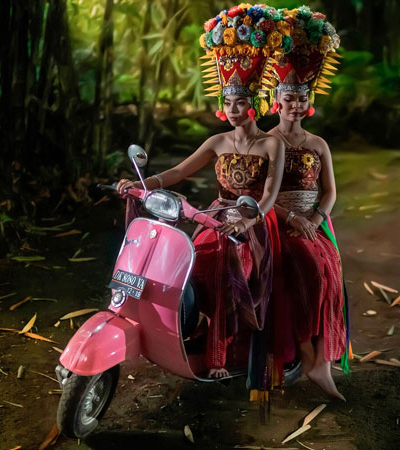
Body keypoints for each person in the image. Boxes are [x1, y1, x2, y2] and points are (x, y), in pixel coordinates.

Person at [116, 4, 288, 380]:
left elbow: (271, 193)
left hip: (252, 220)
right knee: (190, 265)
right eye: (227, 102)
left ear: (256, 103)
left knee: (229, 270)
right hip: (215, 215)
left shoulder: (272, 145)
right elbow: (179, 171)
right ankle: (187, 330)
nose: (233, 108)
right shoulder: (217, 141)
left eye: (240, 101)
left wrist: (248, 218)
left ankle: (219, 358)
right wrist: (140, 184)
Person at [265, 6, 351, 401]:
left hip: (315, 222)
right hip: (278, 221)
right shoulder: (267, 142)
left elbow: (330, 191)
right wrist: (291, 217)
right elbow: (255, 192)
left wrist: (316, 218)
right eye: (288, 97)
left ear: (308, 99)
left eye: (301, 97)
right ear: (275, 99)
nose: (295, 105)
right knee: (310, 273)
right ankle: (304, 352)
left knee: (331, 272)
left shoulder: (318, 144)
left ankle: (323, 361)